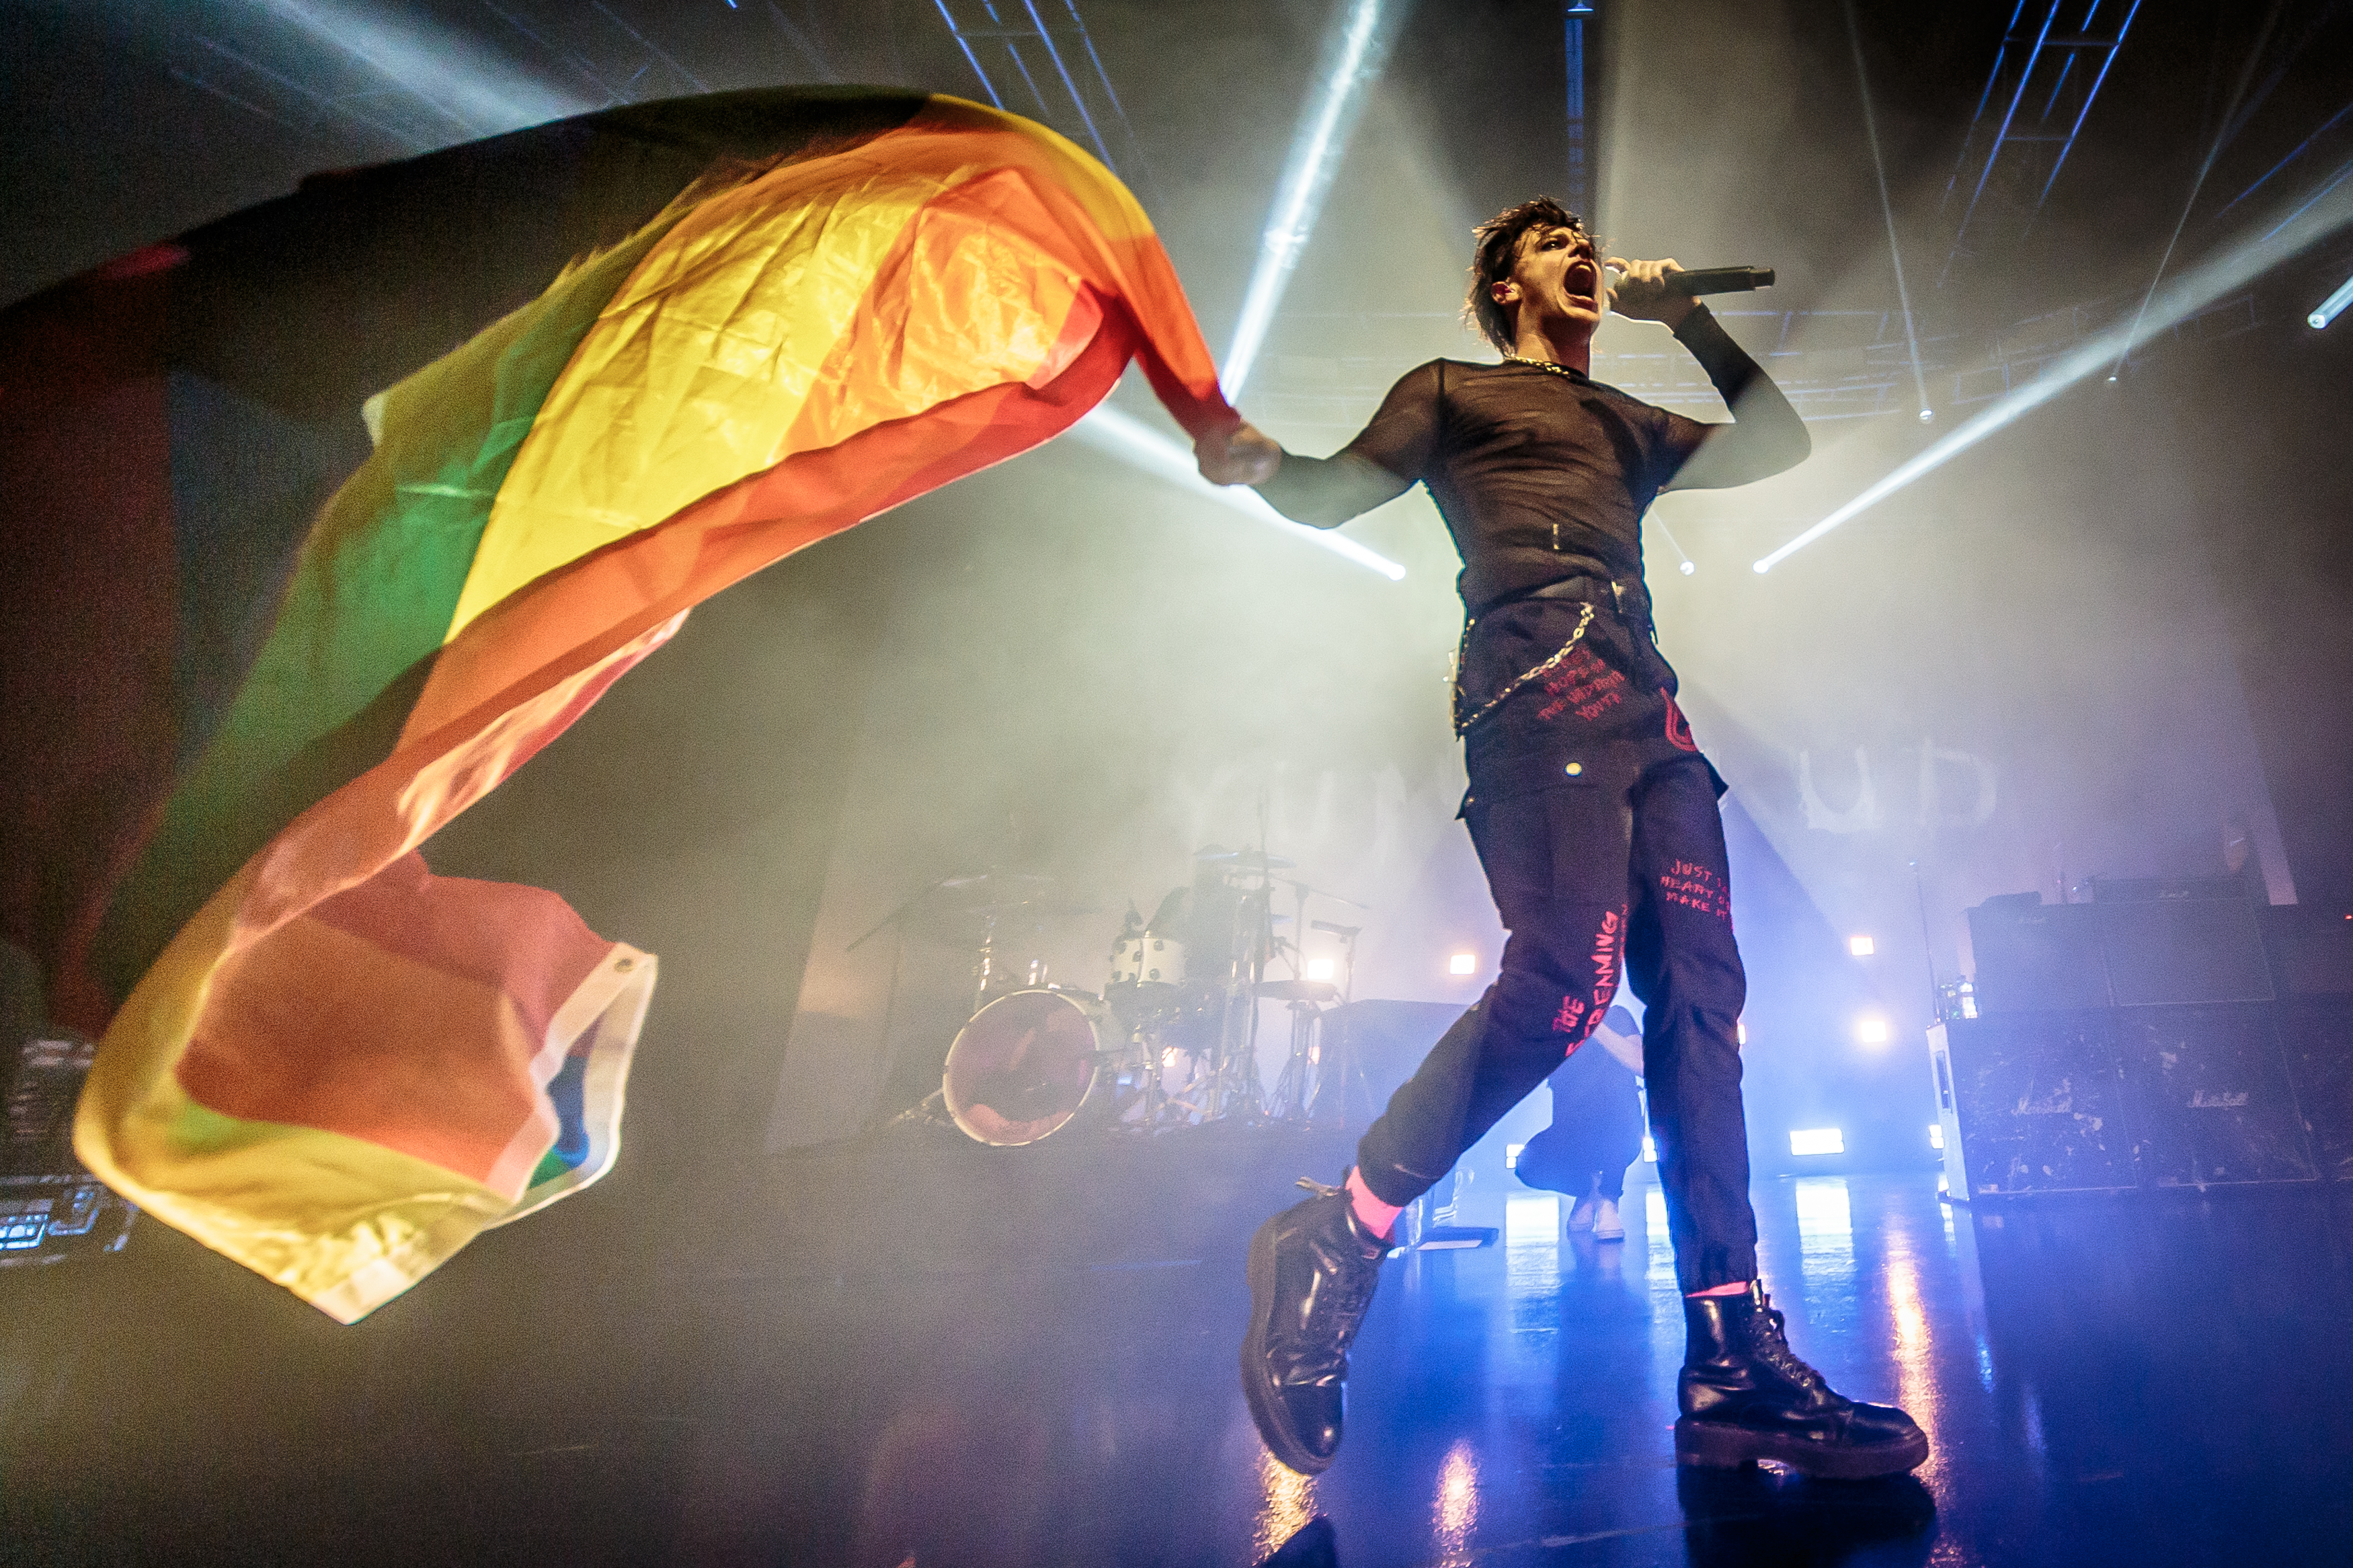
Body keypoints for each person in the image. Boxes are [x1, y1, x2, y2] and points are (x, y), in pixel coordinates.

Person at [1205, 197, 1928, 1480]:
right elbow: (1327, 495)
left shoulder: (1626, 421)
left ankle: (1729, 1357)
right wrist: (1259, 463)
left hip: (1653, 712)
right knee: (1565, 982)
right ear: (1501, 284)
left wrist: (1688, 317)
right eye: (1552, 242)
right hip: (1535, 688)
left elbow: (1777, 440)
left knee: (1704, 1005)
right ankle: (1344, 1229)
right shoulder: (1451, 390)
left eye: (1587, 240)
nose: (1581, 251)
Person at [1517, 1003, 1646, 1240]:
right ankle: (1590, 1191)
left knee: (1613, 1105)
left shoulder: (1616, 1016)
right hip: (1572, 1133)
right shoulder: (1558, 1025)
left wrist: (1594, 1026)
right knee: (1527, 1164)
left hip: (1621, 1129)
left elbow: (1641, 1063)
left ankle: (1609, 1199)